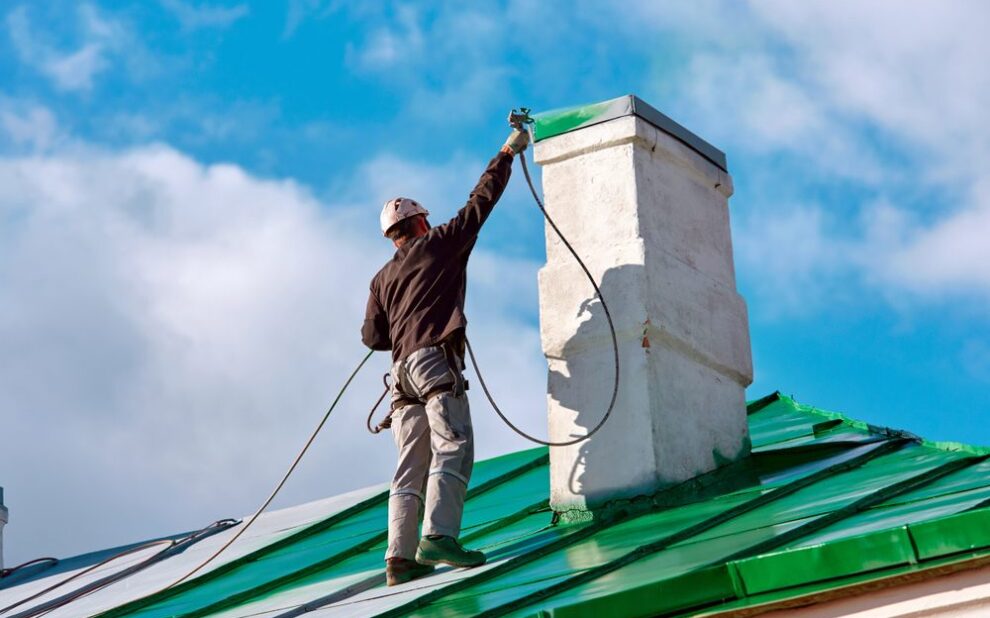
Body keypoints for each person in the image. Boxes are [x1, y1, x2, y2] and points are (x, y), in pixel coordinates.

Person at [361, 123, 530, 586]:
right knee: (453, 445)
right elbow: (480, 204)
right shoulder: (439, 244)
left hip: (401, 375)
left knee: (409, 465)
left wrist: (404, 319)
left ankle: (398, 556)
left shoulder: (381, 279)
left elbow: (372, 336)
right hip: (434, 363)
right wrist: (508, 152)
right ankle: (438, 536)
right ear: (419, 224)